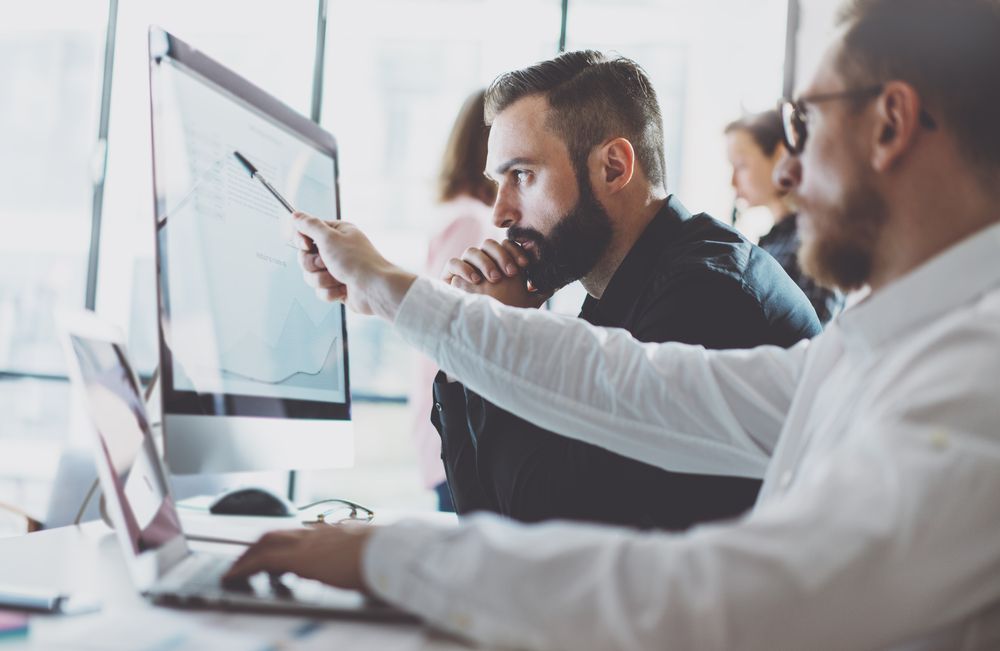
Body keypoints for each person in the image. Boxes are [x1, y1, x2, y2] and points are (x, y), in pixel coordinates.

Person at [226, 0, 1000, 648]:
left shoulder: (971, 383)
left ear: (891, 123)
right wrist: (396, 293)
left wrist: (393, 556)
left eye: (806, 123)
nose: (786, 172)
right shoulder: (881, 347)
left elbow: (717, 598)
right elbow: (630, 383)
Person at [430, 53, 818, 530]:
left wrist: (504, 336)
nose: (500, 213)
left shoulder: (708, 298)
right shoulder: (616, 292)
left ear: (613, 168)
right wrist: (465, 356)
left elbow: (552, 533)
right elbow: (484, 523)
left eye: (523, 175)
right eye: (498, 182)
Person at [407, 89, 500, 511]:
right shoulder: (472, 221)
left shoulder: (461, 214)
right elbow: (450, 323)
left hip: (450, 423)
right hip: (460, 427)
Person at [725, 109, 844, 323]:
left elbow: (813, 332)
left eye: (741, 165)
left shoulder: (812, 244)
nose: (733, 182)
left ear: (780, 155)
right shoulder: (776, 241)